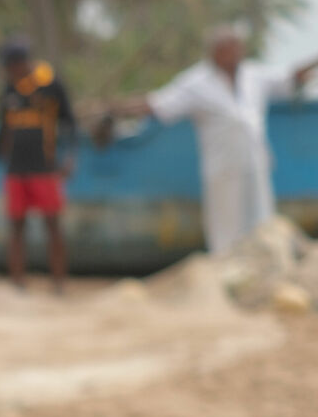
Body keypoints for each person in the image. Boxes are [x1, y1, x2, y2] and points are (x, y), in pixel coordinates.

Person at [119, 27, 318, 255]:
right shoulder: (195, 82)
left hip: (255, 162)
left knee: (261, 219)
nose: (235, 53)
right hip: (222, 168)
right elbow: (158, 105)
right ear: (215, 52)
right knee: (226, 227)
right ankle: (224, 268)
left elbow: (291, 76)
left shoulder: (254, 76)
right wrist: (115, 109)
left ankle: (262, 266)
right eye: (229, 48)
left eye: (238, 47)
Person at [0, 38, 75, 291]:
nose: (7, 71)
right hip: (15, 170)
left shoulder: (51, 86)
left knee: (52, 225)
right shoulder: (10, 90)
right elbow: (2, 132)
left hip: (45, 168)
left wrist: (71, 157)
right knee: (17, 227)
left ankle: (59, 284)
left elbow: (70, 123)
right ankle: (18, 284)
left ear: (19, 63)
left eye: (9, 66)